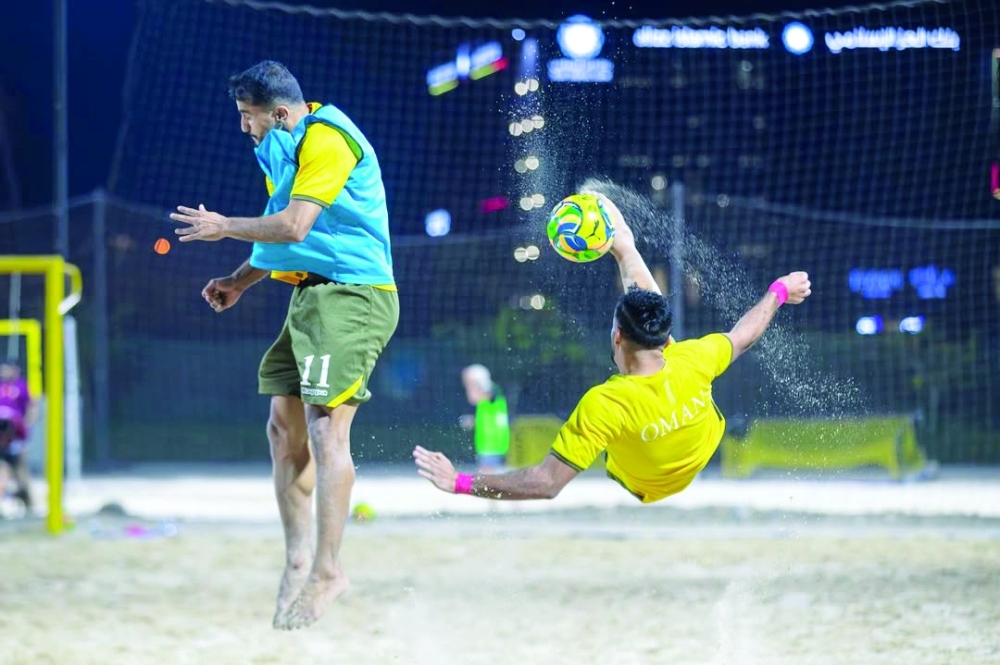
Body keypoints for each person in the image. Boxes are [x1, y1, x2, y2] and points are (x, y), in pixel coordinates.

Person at [169, 61, 399, 630]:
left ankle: (328, 571)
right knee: (282, 429)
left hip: (355, 293)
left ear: (277, 113)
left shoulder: (328, 140)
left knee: (325, 430)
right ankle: (298, 560)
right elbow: (284, 234)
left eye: (248, 116)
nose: (243, 126)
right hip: (311, 295)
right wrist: (239, 280)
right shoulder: (275, 146)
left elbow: (296, 225)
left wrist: (224, 225)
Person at [413, 193, 811, 503]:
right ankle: (626, 249)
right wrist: (778, 292)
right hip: (703, 450)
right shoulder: (692, 358)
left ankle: (625, 249)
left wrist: (460, 482)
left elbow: (546, 483)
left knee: (658, 356)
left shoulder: (605, 405)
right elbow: (744, 333)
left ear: (617, 336)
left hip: (644, 484)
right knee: (674, 350)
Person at [0, 359, 36, 513]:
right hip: (1, 435)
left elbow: (32, 407)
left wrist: (26, 426)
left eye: (6, 369)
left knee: (20, 468)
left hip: (15, 435)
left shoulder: (21, 386)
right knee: (3, 469)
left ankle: (28, 501)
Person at [459, 364, 510, 473]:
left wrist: (473, 382)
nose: (467, 388)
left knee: (487, 477)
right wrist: (473, 421)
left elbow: (479, 395)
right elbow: (488, 419)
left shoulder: (491, 393)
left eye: (469, 384)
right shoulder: (486, 400)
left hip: (492, 445)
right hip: (490, 445)